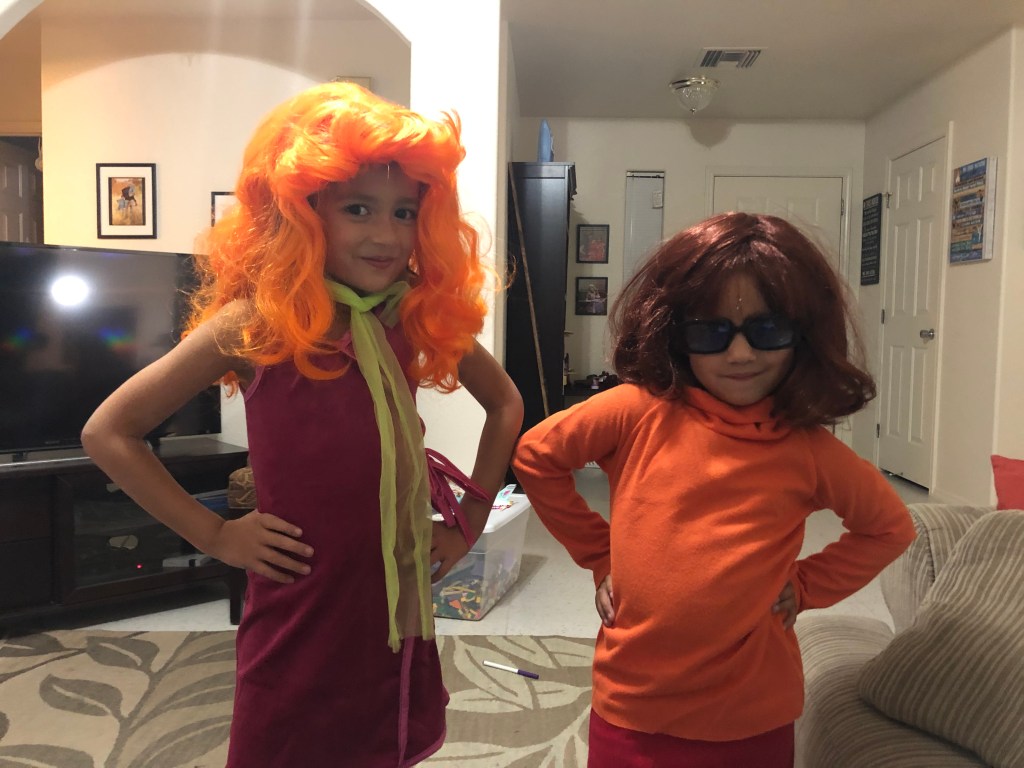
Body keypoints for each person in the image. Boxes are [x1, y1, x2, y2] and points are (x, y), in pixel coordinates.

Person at [82, 82, 523, 767]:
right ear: (301, 211)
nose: (385, 234)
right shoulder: (255, 323)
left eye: (405, 212)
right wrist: (215, 534)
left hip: (392, 587)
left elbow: (506, 404)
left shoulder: (410, 312)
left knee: (381, 733)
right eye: (357, 208)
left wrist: (468, 520)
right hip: (299, 593)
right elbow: (110, 432)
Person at [512, 212, 916, 768]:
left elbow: (889, 527)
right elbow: (536, 456)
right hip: (633, 706)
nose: (740, 355)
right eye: (710, 332)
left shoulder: (808, 450)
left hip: (752, 713)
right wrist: (600, 554)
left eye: (768, 330)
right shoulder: (637, 410)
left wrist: (807, 585)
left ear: (805, 334)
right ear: (674, 334)